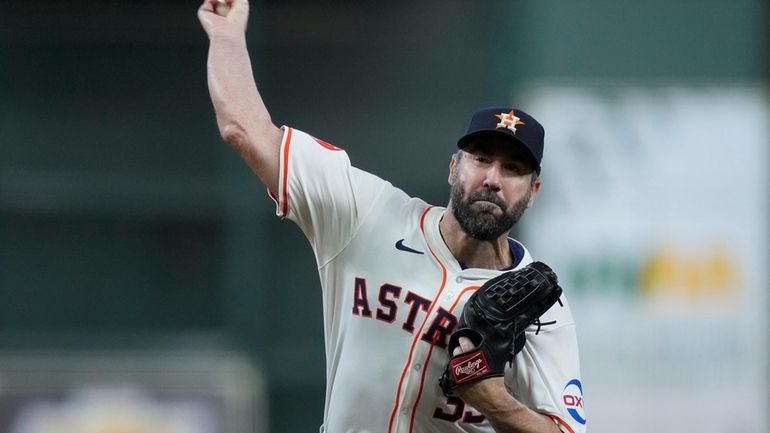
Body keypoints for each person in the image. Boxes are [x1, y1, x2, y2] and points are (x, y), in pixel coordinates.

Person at [198, 1, 585, 432]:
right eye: (481, 159)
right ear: (454, 167)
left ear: (533, 192)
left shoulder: (540, 308)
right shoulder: (368, 214)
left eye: (513, 169)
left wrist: (493, 399)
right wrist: (227, 36)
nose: (493, 178)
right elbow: (244, 131)